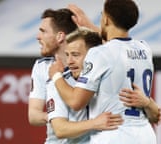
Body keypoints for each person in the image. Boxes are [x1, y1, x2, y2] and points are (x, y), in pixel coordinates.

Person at [49, 0, 157, 143]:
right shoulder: (144, 48)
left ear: (106, 19)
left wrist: (56, 76)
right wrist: (89, 26)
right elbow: (117, 46)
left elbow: (76, 102)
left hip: (114, 135)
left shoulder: (98, 54)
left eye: (102, 15)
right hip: (145, 135)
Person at [28, 8, 122, 144]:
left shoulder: (95, 66)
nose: (38, 36)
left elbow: (115, 48)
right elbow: (34, 116)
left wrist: (88, 25)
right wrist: (58, 117)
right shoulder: (48, 72)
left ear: (60, 36)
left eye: (43, 31)